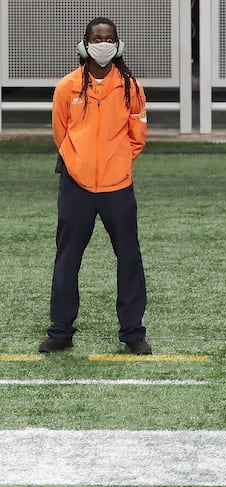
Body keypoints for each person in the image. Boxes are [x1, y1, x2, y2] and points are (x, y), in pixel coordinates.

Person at [38, 17, 151, 355]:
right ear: (85, 45)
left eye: (110, 38)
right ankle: (60, 332)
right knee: (67, 259)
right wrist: (77, 163)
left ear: (118, 45)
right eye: (97, 38)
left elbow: (137, 137)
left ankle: (132, 333)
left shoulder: (131, 87)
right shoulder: (67, 87)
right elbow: (61, 134)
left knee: (129, 258)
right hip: (77, 187)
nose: (104, 43)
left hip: (118, 187)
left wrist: (118, 164)